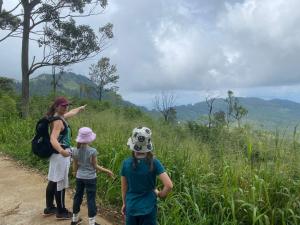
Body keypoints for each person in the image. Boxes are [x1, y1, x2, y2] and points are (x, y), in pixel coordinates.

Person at [43, 96, 86, 220]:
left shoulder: (59, 117)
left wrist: (80, 108)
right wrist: (62, 151)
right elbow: (53, 139)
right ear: (57, 106)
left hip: (55, 155)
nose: (66, 107)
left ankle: (49, 207)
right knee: (60, 182)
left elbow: (72, 112)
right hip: (60, 155)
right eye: (63, 105)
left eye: (67, 105)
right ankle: (61, 211)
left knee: (53, 180)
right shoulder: (58, 121)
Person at [121, 127, 173, 225]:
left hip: (131, 206)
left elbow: (124, 188)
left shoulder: (126, 163)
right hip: (149, 208)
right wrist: (160, 194)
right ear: (148, 144)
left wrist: (124, 203)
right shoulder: (154, 162)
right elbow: (169, 185)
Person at [71, 127, 114, 225]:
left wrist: (75, 173)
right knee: (90, 199)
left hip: (79, 177)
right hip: (90, 178)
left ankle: (74, 219)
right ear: (89, 139)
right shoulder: (92, 151)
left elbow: (75, 164)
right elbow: (95, 166)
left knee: (77, 197)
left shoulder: (74, 150)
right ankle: (92, 222)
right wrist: (107, 171)